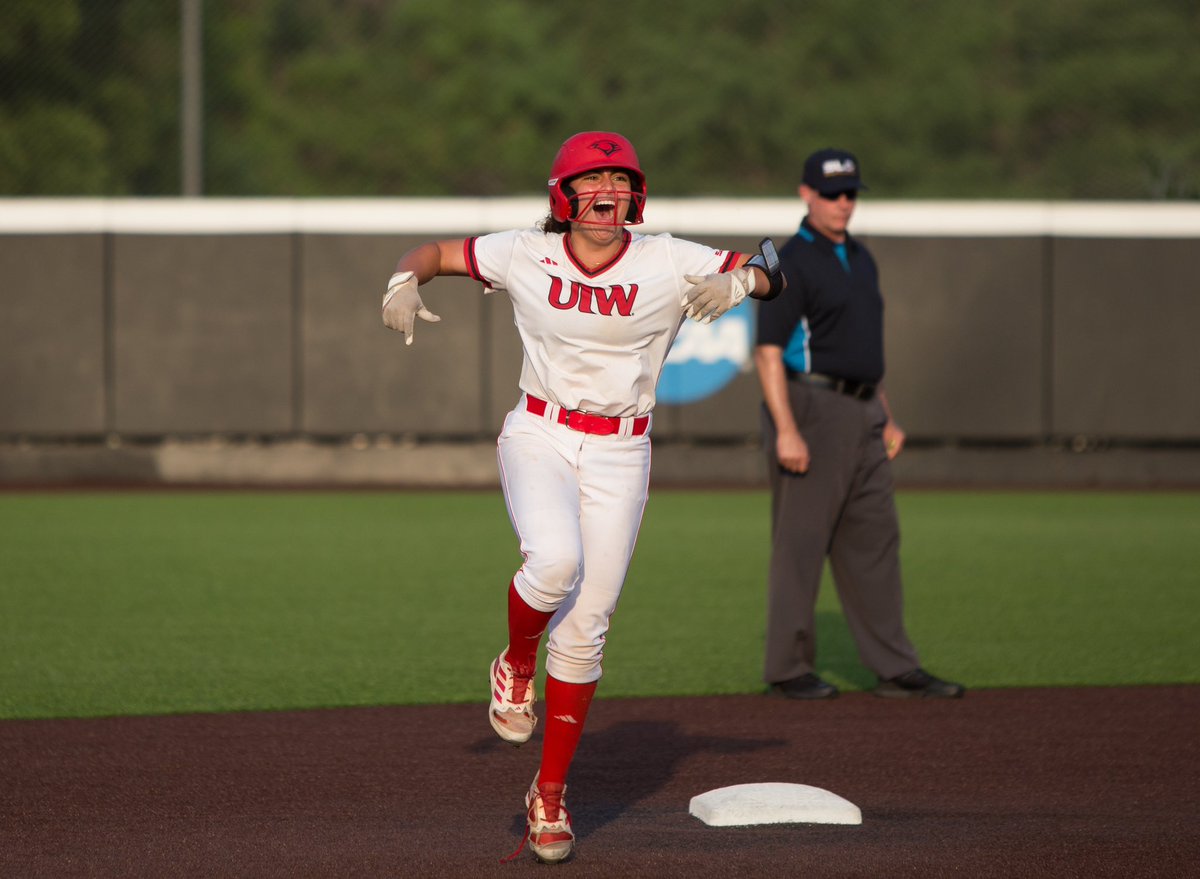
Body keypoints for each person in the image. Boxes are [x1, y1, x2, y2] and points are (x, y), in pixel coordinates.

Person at [381, 131, 782, 864]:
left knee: (589, 624)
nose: (609, 194)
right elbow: (434, 254)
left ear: (639, 194)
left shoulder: (663, 255)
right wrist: (401, 281)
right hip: (540, 430)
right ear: (562, 196)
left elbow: (772, 266)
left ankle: (550, 795)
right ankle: (515, 664)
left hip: (622, 446)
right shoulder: (525, 251)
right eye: (594, 181)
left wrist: (744, 282)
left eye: (621, 182)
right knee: (555, 560)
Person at [752, 147, 964, 702]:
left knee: (875, 541)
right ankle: (788, 668)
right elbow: (769, 351)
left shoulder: (861, 257)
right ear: (806, 194)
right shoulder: (788, 261)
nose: (843, 203)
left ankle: (895, 666)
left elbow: (863, 348)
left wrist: (886, 413)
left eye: (850, 193)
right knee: (801, 543)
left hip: (865, 410)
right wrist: (786, 430)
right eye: (831, 192)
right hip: (810, 408)